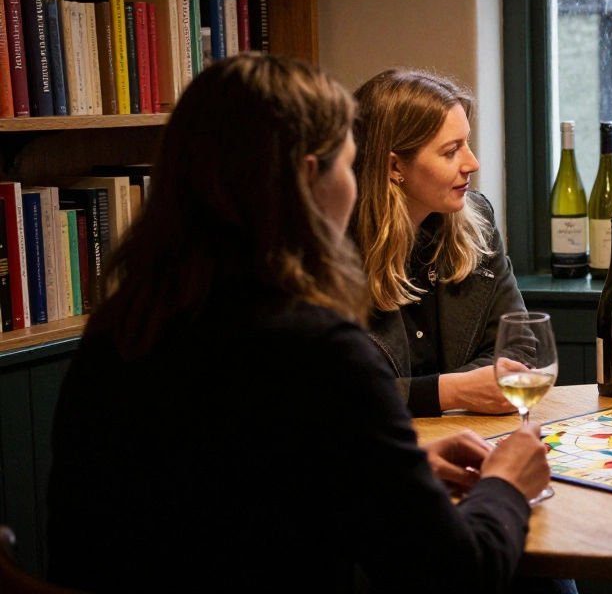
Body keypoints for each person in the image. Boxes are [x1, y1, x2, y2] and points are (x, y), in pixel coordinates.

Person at [46, 54, 551, 593]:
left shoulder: (121, 327)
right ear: (312, 177)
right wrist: (505, 482)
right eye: (349, 165)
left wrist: (392, 463)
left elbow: (237, 489)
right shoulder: (315, 347)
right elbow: (457, 573)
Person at [350, 68, 522, 417]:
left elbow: (520, 346)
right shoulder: (333, 250)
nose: (472, 163)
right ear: (394, 165)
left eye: (467, 143)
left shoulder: (478, 219)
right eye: (450, 152)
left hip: (464, 437)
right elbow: (328, 390)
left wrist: (434, 394)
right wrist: (448, 393)